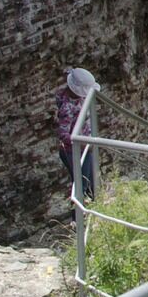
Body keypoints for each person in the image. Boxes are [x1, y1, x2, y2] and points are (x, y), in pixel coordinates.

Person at [55, 67, 97, 200]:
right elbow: (63, 135)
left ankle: (91, 214)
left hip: (84, 148)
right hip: (75, 152)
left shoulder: (72, 96)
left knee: (91, 184)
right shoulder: (67, 108)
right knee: (81, 187)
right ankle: (77, 219)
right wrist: (84, 144)